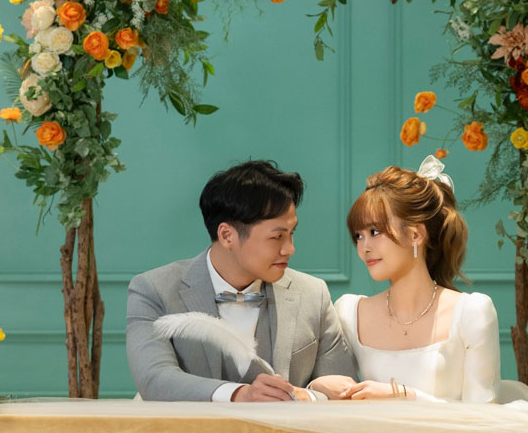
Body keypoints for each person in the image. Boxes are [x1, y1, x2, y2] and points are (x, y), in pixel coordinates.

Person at [127, 160, 358, 401]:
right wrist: (240, 394)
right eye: (277, 236)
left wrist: (308, 395)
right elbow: (154, 378)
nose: (290, 249)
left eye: (291, 234)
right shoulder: (154, 290)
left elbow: (344, 392)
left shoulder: (313, 294)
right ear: (227, 235)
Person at [323, 156, 502, 402]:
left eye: (374, 232)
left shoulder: (472, 312)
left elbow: (484, 414)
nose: (364, 248)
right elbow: (336, 403)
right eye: (358, 236)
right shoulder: (349, 313)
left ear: (416, 235)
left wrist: (405, 395)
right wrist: (316, 385)